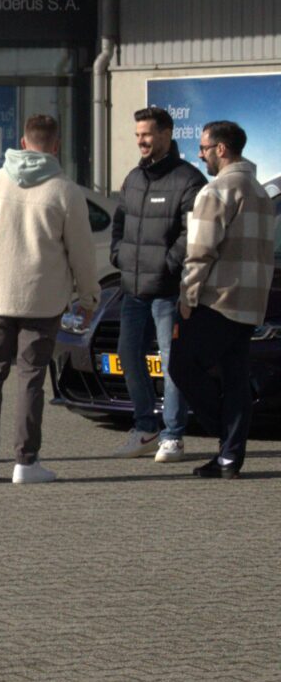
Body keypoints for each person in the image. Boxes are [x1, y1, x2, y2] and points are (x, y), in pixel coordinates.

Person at [0, 112, 100, 485]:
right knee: (30, 379)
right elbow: (82, 253)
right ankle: (25, 463)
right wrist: (88, 299)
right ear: (56, 145)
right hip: (42, 300)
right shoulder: (65, 191)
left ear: (22, 143)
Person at [172, 120, 274, 481]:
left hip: (216, 301)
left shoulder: (216, 191)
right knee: (234, 378)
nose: (199, 154)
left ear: (221, 149)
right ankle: (230, 458)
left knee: (181, 366)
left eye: (203, 148)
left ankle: (226, 434)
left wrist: (188, 296)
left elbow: (200, 251)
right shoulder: (261, 193)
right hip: (249, 304)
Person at [108, 106, 206, 462]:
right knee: (128, 355)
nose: (141, 142)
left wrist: (168, 264)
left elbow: (193, 233)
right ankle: (145, 428)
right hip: (133, 291)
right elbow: (119, 223)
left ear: (166, 134)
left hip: (166, 291)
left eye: (147, 135)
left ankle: (173, 436)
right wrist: (117, 255)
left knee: (171, 363)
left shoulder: (189, 179)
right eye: (137, 136)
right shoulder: (134, 178)